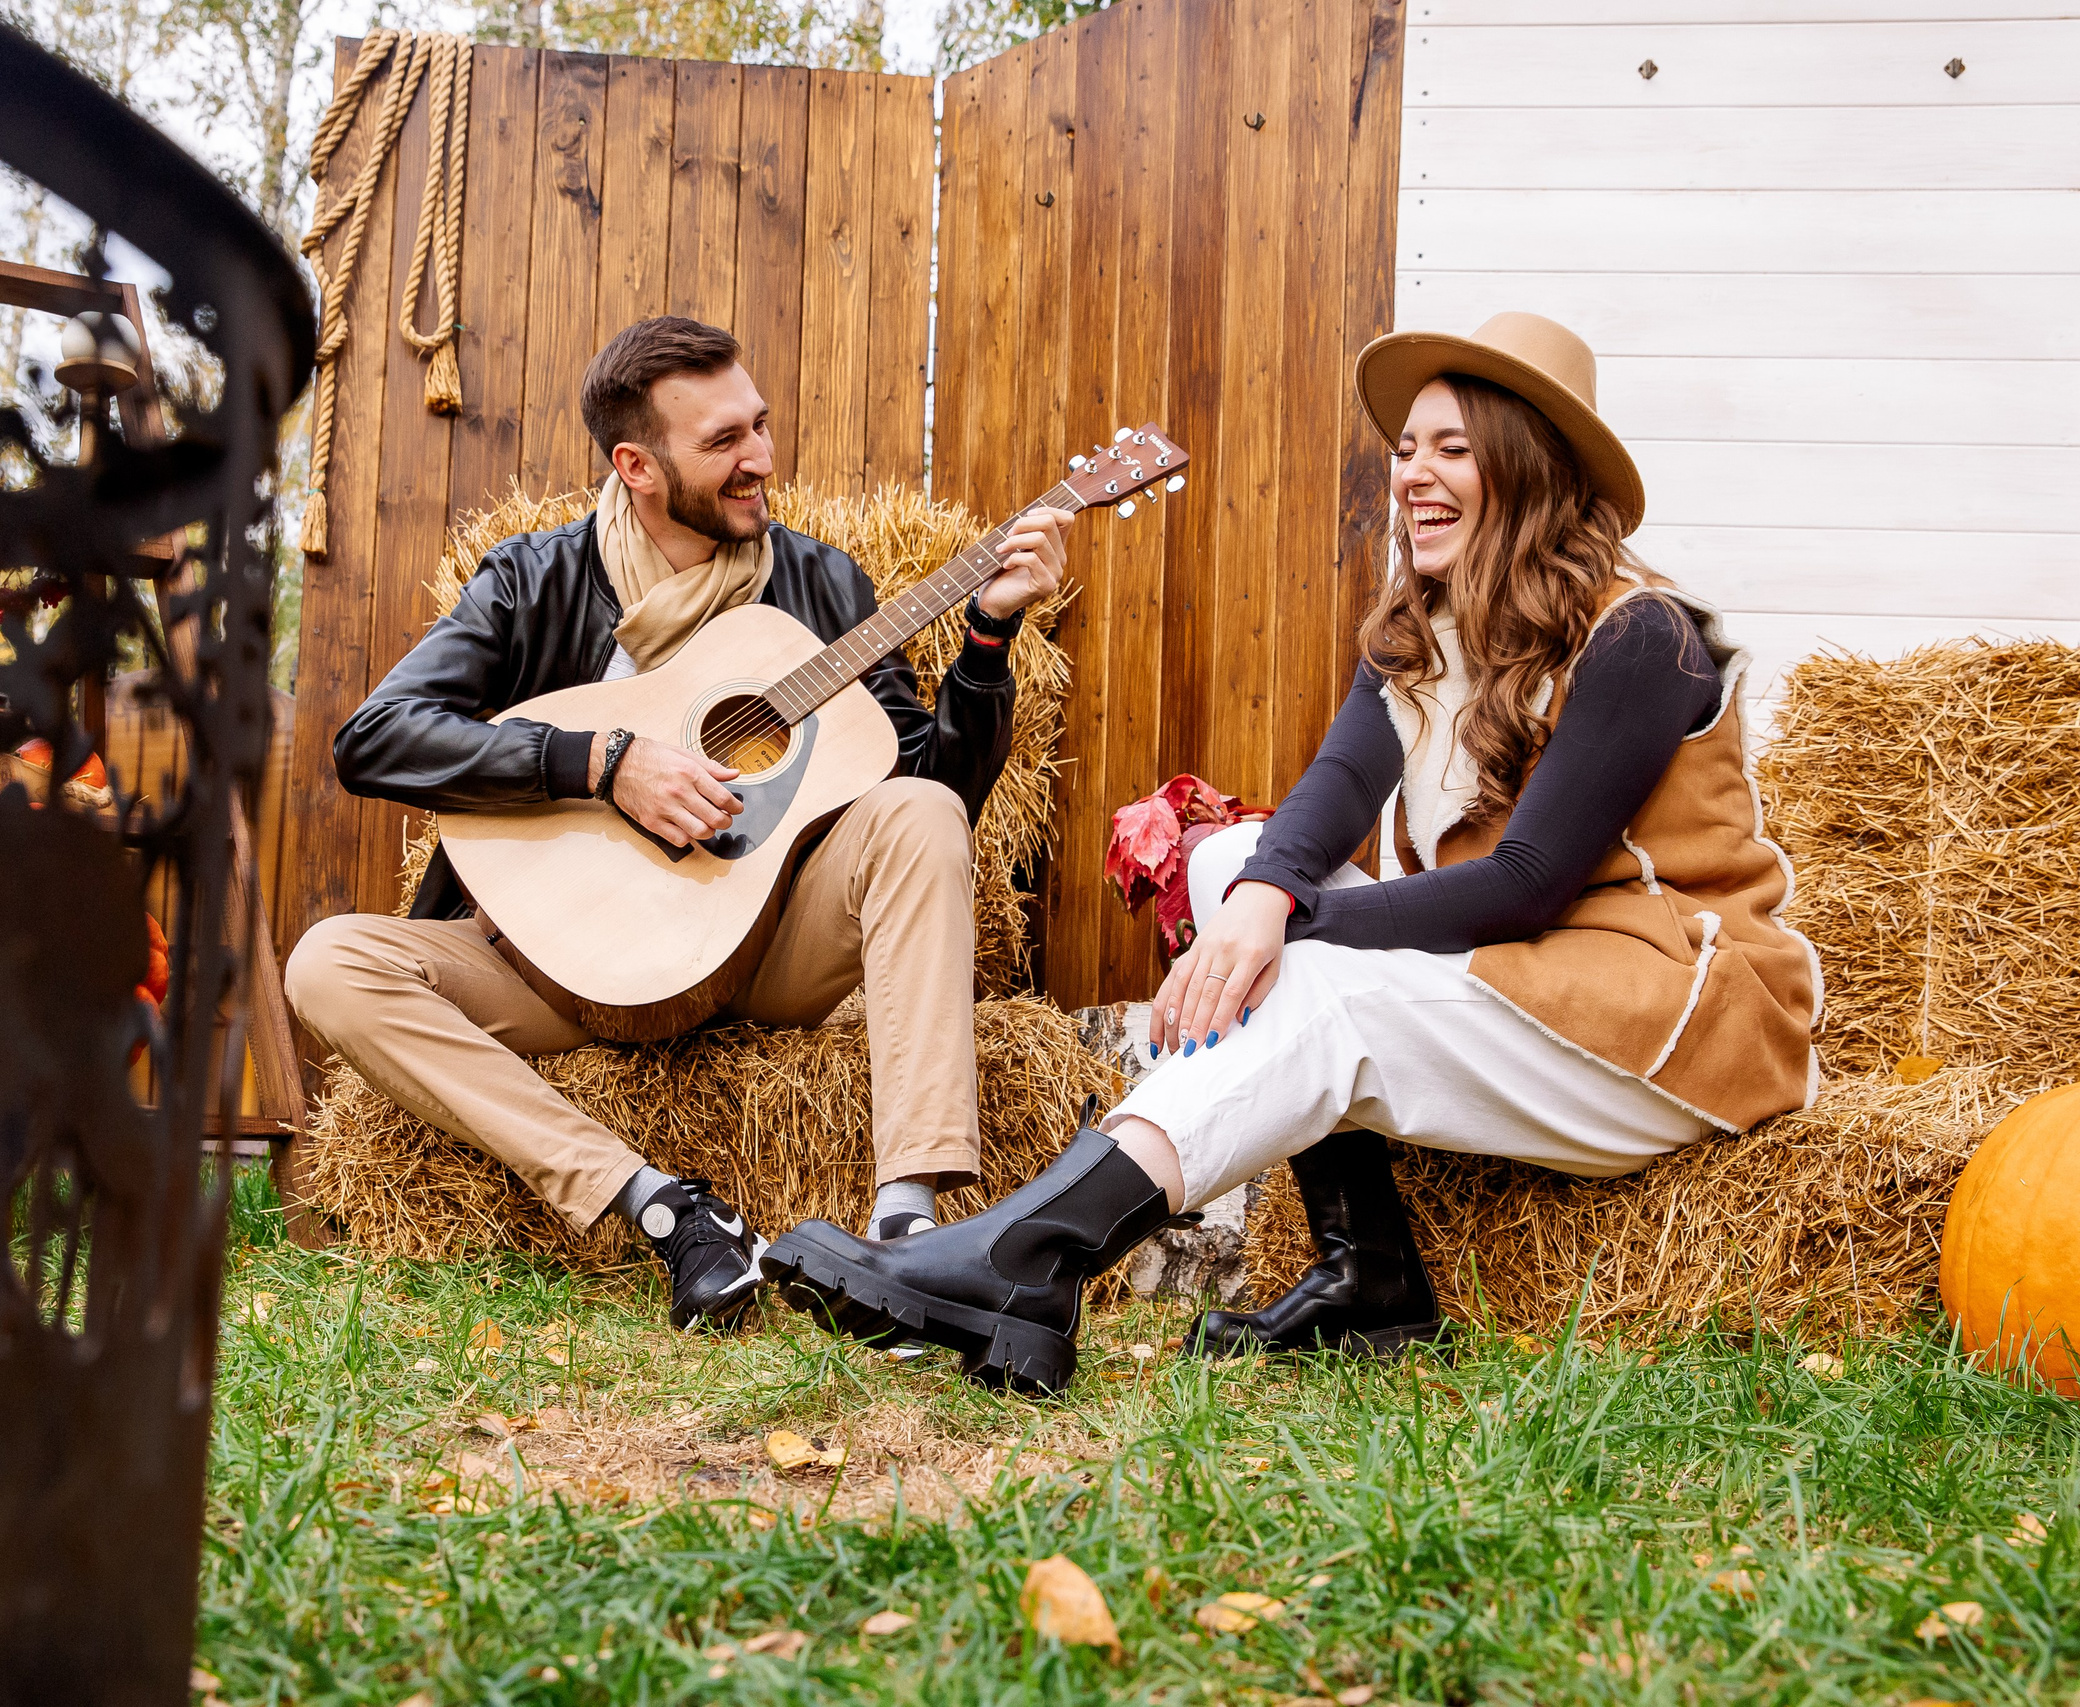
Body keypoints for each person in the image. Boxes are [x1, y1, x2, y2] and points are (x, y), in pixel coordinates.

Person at [762, 312, 1822, 1393]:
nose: (1413, 473)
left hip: (1663, 1015)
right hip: (1533, 993)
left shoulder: (1640, 636)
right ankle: (1371, 1280)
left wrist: (1285, 923)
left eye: (1452, 448)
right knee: (1237, 861)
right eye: (1405, 449)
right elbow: (1327, 799)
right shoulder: (1425, 626)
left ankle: (1030, 1260)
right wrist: (1259, 894)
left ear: (1531, 466)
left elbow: (1527, 885)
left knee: (1305, 966)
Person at [284, 316, 1075, 1332]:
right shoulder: (533, 579)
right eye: (722, 443)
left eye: (760, 426)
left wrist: (989, 634)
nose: (758, 460)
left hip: (763, 946)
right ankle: (659, 1208)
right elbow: (377, 740)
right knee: (329, 963)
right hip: (560, 966)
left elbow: (935, 791)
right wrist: (601, 764)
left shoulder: (822, 584)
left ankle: (913, 1233)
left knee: (915, 808)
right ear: (637, 466)